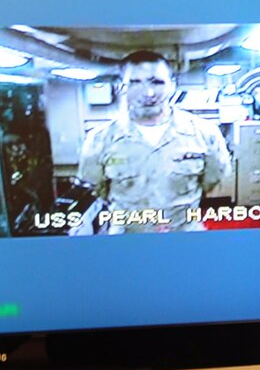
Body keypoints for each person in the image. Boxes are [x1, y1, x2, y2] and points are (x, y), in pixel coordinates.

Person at [77, 50, 232, 234]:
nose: (148, 93)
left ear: (172, 85)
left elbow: (211, 181)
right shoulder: (100, 139)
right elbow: (96, 189)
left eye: (157, 82)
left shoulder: (205, 133)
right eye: (135, 83)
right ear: (121, 87)